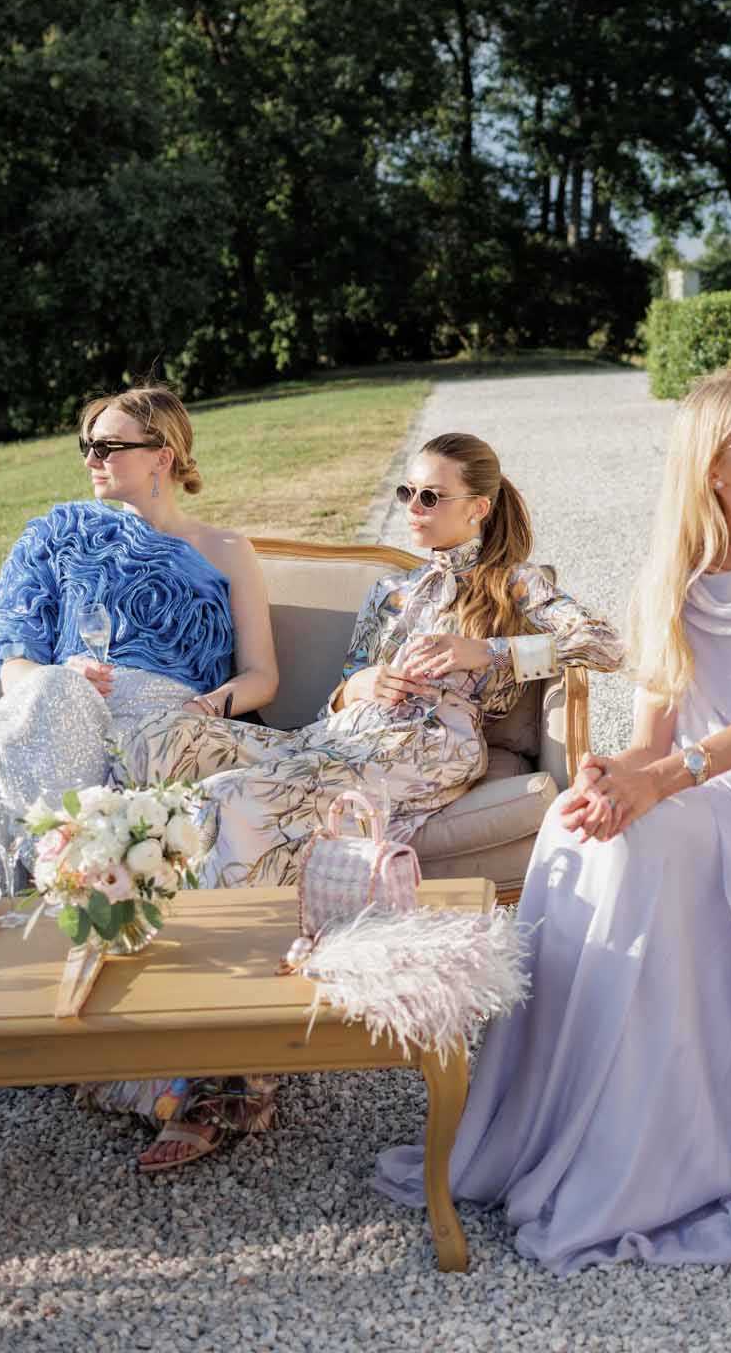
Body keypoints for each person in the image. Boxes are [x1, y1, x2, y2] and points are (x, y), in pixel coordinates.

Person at [375, 368, 731, 1285]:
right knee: (575, 829)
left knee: (653, 837)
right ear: (712, 469)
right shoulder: (676, 575)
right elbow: (653, 733)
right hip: (701, 778)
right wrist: (616, 776)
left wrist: (666, 782)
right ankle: (569, 1126)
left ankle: (659, 1152)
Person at [107, 429, 623, 1172]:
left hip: (424, 745)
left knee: (233, 802)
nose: (412, 507)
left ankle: (228, 1071)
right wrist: (361, 684)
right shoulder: (392, 591)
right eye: (405, 492)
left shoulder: (516, 582)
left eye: (430, 496)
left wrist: (493, 651)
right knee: (164, 742)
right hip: (342, 734)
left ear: (477, 508)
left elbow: (605, 645)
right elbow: (340, 685)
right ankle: (153, 1004)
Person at [0, 385, 278, 891]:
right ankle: (76, 874)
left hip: (169, 720)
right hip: (61, 708)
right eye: (88, 446)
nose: (92, 458)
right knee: (52, 693)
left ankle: (68, 885)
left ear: (163, 456)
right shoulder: (59, 535)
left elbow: (262, 675)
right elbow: (13, 654)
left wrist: (206, 708)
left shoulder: (226, 549)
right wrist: (59, 676)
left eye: (109, 447)